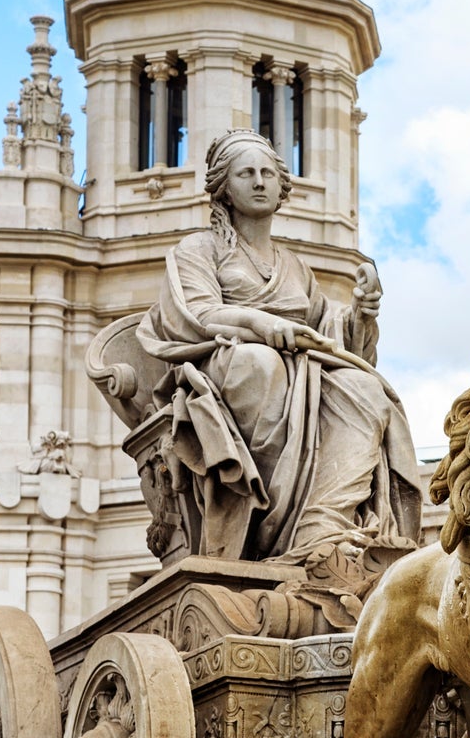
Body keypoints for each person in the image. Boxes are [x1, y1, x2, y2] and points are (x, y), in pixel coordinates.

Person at [138, 128, 419, 562]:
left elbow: (332, 334)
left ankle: (320, 522)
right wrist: (261, 325)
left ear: (281, 184)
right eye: (246, 173)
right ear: (224, 188)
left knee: (365, 390)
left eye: (268, 172)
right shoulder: (197, 250)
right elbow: (196, 315)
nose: (259, 181)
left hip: (301, 368)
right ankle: (268, 525)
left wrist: (362, 311)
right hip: (227, 365)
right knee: (260, 365)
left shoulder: (295, 266)